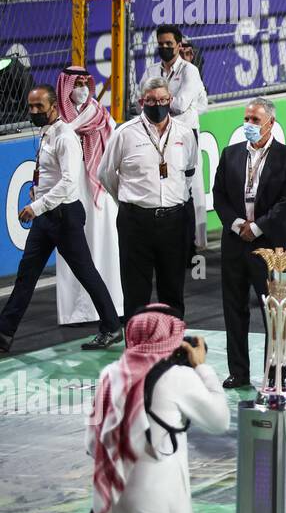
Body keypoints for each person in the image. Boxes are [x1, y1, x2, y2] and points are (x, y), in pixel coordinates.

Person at [85, 305, 229, 513]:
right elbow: (219, 420)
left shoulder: (109, 375)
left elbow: (93, 445)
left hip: (114, 497)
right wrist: (203, 369)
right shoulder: (178, 377)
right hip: (158, 500)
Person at [0, 86, 122, 354]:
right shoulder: (48, 134)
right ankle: (4, 334)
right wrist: (39, 193)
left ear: (53, 106)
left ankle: (112, 326)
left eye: (39, 107)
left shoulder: (65, 136)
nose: (34, 112)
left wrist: (36, 206)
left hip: (64, 216)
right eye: (30, 107)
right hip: (47, 216)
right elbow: (52, 175)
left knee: (86, 273)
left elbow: (69, 183)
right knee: (26, 276)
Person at [211, 97, 286, 389]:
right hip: (236, 243)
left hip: (272, 247)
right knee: (234, 309)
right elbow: (219, 196)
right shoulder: (230, 154)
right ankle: (238, 371)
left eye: (255, 120)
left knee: (274, 311)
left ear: (271, 123)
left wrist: (258, 226)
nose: (249, 125)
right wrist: (239, 226)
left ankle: (275, 372)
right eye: (247, 119)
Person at [98, 78, 199, 319]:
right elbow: (105, 173)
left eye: (163, 100)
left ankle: (172, 346)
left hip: (174, 221)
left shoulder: (185, 133)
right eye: (152, 101)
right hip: (136, 221)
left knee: (173, 290)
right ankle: (136, 350)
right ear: (142, 101)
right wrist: (127, 200)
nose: (158, 105)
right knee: (136, 291)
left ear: (170, 100)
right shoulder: (124, 133)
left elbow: (189, 172)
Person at [52, 67, 124, 331]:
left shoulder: (101, 114)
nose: (81, 88)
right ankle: (78, 312)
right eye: (76, 83)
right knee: (76, 249)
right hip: (71, 191)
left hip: (100, 191)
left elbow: (115, 146)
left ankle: (114, 305)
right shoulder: (57, 120)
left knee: (107, 244)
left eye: (85, 82)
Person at [141, 25, 208, 251]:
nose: (165, 48)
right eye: (161, 44)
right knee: (160, 186)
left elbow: (180, 105)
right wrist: (162, 100)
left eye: (169, 44)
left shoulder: (190, 71)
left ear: (179, 45)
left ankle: (188, 247)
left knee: (185, 188)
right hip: (157, 136)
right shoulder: (151, 71)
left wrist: (156, 100)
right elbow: (140, 99)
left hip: (183, 135)